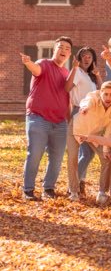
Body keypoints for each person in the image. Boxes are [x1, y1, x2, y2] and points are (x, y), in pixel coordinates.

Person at [20, 36, 73, 201]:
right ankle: (28, 190)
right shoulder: (44, 63)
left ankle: (48, 189)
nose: (63, 50)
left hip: (60, 122)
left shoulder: (66, 73)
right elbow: (36, 70)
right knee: (35, 153)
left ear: (70, 54)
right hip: (38, 118)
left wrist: (69, 119)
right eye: (60, 47)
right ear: (54, 49)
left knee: (56, 158)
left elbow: (68, 99)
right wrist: (28, 63)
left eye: (66, 48)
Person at [68, 81, 111, 203]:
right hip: (77, 128)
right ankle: (73, 191)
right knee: (72, 158)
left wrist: (105, 149)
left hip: (94, 134)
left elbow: (110, 129)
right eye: (106, 94)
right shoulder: (93, 96)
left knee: (107, 157)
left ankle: (102, 192)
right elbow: (87, 101)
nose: (108, 97)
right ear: (101, 93)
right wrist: (85, 107)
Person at [64, 46, 102, 197]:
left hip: (92, 115)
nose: (87, 58)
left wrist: (98, 75)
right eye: (84, 56)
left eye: (90, 57)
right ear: (79, 59)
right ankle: (75, 184)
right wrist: (73, 69)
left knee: (87, 153)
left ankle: (78, 183)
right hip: (79, 112)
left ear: (93, 60)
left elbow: (101, 91)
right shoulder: (78, 73)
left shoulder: (90, 76)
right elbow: (67, 88)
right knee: (84, 153)